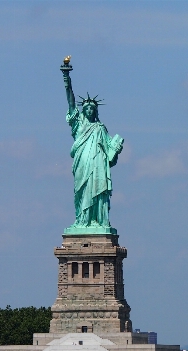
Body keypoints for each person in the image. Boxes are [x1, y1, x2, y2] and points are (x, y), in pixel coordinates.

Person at [62, 68, 123, 231]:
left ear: (95, 111)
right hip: (82, 163)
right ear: (83, 111)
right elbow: (71, 102)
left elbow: (111, 150)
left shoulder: (100, 128)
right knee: (82, 192)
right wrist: (67, 80)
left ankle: (97, 220)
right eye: (87, 108)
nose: (89, 110)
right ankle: (82, 220)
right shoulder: (79, 124)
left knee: (97, 189)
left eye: (92, 108)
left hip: (98, 165)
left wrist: (116, 148)